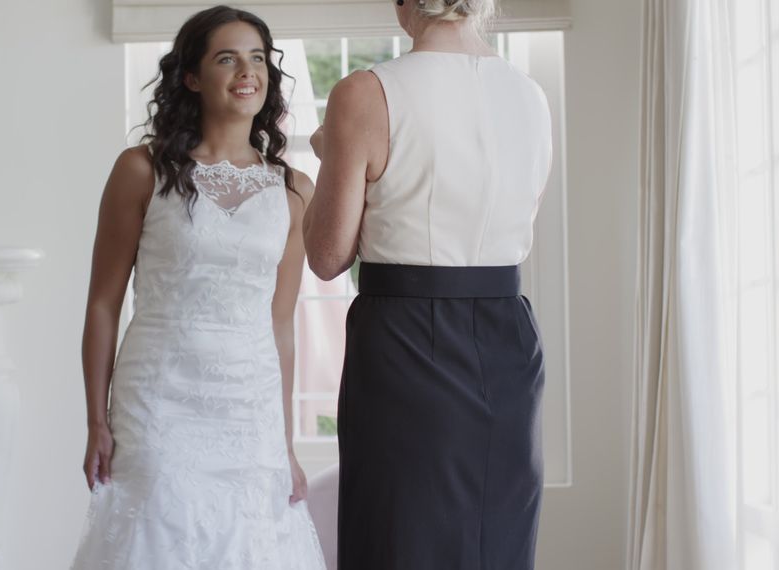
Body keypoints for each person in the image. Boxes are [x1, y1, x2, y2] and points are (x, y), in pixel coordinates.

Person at [71, 6, 327, 569]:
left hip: (250, 409)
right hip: (157, 402)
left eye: (258, 58)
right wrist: (96, 420)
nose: (247, 71)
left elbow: (280, 323)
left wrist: (284, 441)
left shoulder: (295, 189)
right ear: (191, 77)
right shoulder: (141, 170)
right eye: (227, 57)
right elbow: (102, 303)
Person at [303, 0, 553, 568]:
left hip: (405, 335)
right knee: (497, 536)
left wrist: (328, 156)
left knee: (401, 534)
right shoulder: (531, 96)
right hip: (510, 339)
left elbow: (325, 254)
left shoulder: (365, 92)